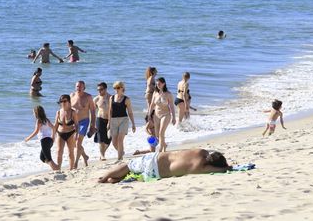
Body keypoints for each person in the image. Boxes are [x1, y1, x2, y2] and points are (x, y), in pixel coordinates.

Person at [98, 149, 230, 183]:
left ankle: (104, 178)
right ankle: (114, 180)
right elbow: (224, 169)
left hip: (157, 157)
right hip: (156, 172)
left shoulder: (201, 151)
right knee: (135, 175)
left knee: (128, 166)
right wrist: (226, 167)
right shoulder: (201, 168)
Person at [24, 106, 59, 171]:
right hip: (49, 140)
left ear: (36, 113)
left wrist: (28, 138)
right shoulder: (47, 120)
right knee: (42, 158)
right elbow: (54, 128)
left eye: (34, 113)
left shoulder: (39, 121)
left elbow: (36, 131)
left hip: (44, 141)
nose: (33, 114)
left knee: (49, 159)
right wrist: (53, 137)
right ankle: (56, 167)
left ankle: (56, 170)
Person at [108, 81, 136, 161]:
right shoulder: (111, 98)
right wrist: (108, 122)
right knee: (114, 142)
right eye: (115, 88)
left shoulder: (126, 99)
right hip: (113, 120)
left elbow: (130, 112)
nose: (116, 89)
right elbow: (110, 110)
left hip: (124, 120)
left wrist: (133, 124)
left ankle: (119, 158)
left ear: (122, 88)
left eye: (118, 88)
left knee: (120, 139)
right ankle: (121, 152)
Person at [70, 81, 96, 168]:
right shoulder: (72, 96)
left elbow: (92, 111)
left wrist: (92, 124)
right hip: (73, 122)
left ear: (84, 88)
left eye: (80, 87)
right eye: (77, 86)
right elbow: (68, 110)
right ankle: (85, 156)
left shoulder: (88, 97)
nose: (79, 88)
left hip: (84, 122)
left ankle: (76, 163)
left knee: (78, 143)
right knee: (74, 143)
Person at [148, 77, 176, 152]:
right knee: (157, 135)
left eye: (159, 84)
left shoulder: (168, 94)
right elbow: (152, 105)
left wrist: (174, 117)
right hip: (156, 115)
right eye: (157, 84)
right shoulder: (155, 93)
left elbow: (172, 106)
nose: (158, 85)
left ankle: (160, 150)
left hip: (166, 114)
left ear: (164, 84)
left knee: (161, 132)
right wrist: (149, 115)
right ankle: (164, 145)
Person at [53, 95, 79, 170]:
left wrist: (77, 134)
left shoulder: (73, 112)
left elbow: (77, 124)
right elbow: (56, 125)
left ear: (69, 102)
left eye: (65, 101)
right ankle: (58, 168)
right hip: (60, 133)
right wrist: (52, 135)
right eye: (61, 101)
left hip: (70, 133)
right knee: (58, 151)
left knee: (70, 152)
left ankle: (71, 168)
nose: (63, 103)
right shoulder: (58, 112)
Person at [93, 82, 111, 161]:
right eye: (98, 90)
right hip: (99, 119)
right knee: (100, 139)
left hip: (109, 119)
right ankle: (102, 155)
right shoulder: (96, 99)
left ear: (105, 89)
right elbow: (93, 112)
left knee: (109, 138)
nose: (99, 91)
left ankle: (102, 153)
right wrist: (92, 123)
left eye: (101, 89)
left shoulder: (111, 98)